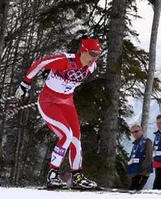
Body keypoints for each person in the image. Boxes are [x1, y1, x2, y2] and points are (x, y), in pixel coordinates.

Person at [14, 36, 101, 189]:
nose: (95, 58)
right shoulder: (65, 61)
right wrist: (25, 83)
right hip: (48, 101)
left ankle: (78, 176)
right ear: (83, 51)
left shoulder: (92, 67)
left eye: (98, 54)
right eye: (93, 54)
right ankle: (52, 174)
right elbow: (40, 63)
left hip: (67, 103)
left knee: (76, 139)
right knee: (65, 135)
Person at [127, 124, 153, 190]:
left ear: (141, 131)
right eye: (132, 132)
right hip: (134, 173)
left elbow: (149, 157)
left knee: (134, 191)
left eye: (136, 131)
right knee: (132, 191)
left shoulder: (147, 141)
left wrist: (141, 168)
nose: (134, 134)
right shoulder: (135, 144)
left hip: (142, 173)